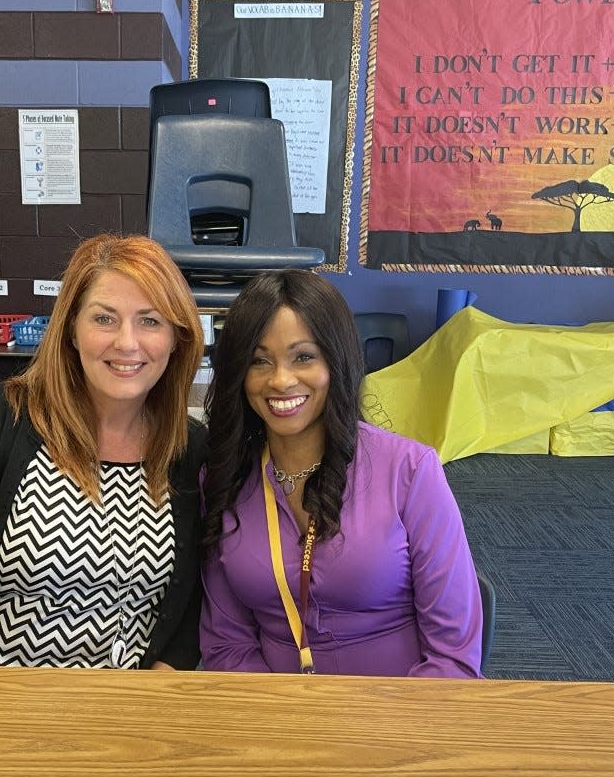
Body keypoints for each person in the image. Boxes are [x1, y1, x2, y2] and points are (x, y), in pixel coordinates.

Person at [0, 234, 205, 669]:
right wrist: (16, 715)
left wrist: (154, 694)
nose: (127, 342)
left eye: (150, 321)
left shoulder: (187, 446)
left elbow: (193, 600)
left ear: (177, 338)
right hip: (1, 702)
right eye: (104, 319)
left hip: (129, 708)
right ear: (70, 329)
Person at [200, 270, 482, 677]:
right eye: (259, 360)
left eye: (303, 357)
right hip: (276, 720)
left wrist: (385, 734)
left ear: (336, 360)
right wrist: (276, 727)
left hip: (400, 717)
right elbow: (227, 642)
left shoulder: (410, 470)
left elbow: (453, 655)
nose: (280, 380)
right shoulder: (225, 477)